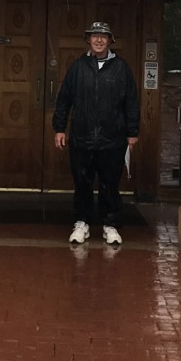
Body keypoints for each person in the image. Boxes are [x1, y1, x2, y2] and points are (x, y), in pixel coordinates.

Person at [53, 21, 140, 246]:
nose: (99, 40)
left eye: (104, 36)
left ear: (110, 40)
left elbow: (131, 102)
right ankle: (81, 223)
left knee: (110, 183)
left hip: (113, 139)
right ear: (89, 40)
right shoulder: (78, 67)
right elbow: (64, 99)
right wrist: (59, 128)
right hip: (82, 138)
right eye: (95, 36)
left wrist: (132, 131)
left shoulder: (121, 68)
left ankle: (110, 225)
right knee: (82, 182)